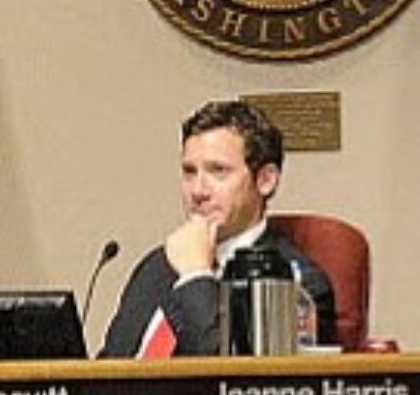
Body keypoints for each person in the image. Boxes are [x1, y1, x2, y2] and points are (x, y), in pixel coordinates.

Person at [100, 100, 336, 357]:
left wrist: (196, 276)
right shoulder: (156, 266)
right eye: (189, 172)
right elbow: (111, 362)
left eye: (218, 171)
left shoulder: (296, 283)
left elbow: (233, 385)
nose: (198, 191)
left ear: (266, 180)